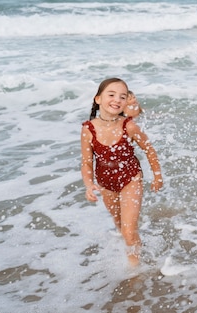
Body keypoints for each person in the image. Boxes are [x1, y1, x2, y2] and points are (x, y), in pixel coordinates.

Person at [80, 78, 163, 266]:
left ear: (126, 103)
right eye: (111, 95)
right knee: (119, 224)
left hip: (130, 179)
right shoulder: (88, 129)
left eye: (122, 97)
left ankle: (135, 270)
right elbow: (86, 162)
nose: (117, 99)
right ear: (98, 99)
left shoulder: (129, 126)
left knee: (128, 230)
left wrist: (157, 175)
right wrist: (88, 184)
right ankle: (131, 244)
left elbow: (149, 149)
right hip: (105, 182)